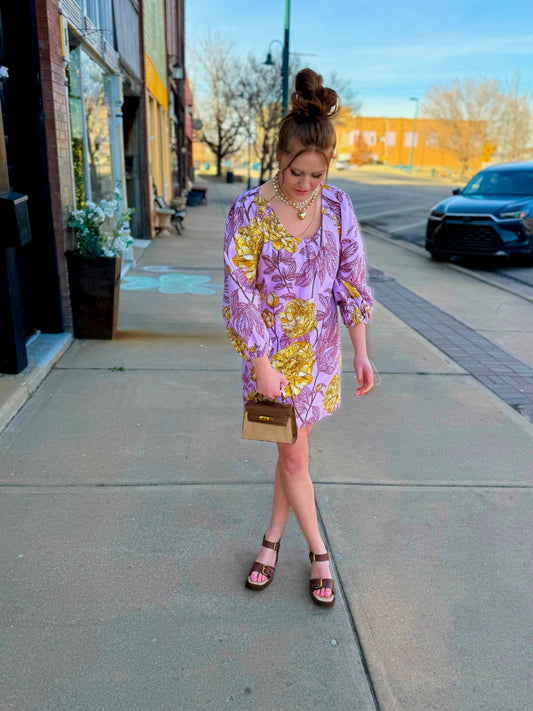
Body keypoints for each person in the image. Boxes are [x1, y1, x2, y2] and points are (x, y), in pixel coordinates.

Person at [222, 68, 374, 608]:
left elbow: (351, 281)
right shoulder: (248, 210)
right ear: (279, 157)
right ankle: (319, 552)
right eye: (296, 172)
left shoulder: (337, 207)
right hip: (269, 360)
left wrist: (360, 351)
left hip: (321, 355)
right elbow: (239, 290)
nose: (307, 184)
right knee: (295, 458)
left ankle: (271, 540)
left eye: (318, 174)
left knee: (292, 455)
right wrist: (261, 362)